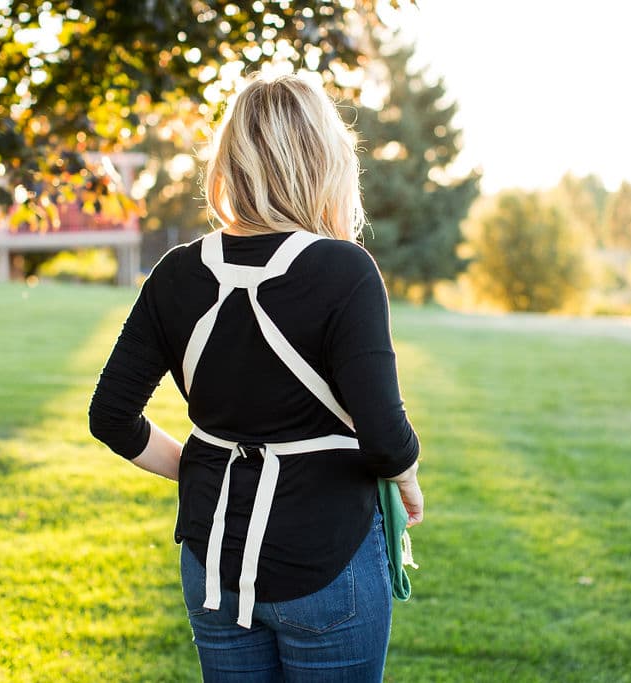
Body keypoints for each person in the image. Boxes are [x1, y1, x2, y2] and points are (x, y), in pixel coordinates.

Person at [88, 73, 423, 682]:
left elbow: (110, 415)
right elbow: (383, 438)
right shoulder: (344, 270)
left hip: (212, 559)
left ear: (231, 161)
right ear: (323, 161)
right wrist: (409, 477)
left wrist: (196, 467)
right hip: (327, 559)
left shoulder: (175, 273)